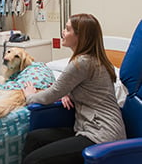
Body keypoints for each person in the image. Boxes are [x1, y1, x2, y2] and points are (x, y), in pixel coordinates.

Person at [22, 13, 126, 164]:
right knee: (35, 138)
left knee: (33, 160)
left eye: (67, 29)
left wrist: (29, 96)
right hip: (89, 129)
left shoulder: (81, 63)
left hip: (101, 135)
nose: (63, 32)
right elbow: (87, 89)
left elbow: (49, 96)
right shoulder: (92, 60)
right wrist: (69, 92)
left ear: (80, 36)